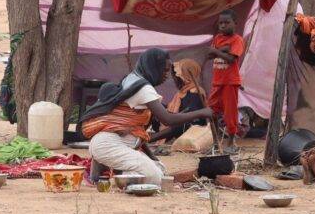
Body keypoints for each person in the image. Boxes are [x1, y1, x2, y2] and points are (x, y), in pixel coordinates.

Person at [80, 48, 215, 186]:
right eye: (164, 71)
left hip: (106, 144)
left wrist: (153, 159)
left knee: (160, 169)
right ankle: (113, 178)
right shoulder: (143, 89)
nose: (166, 76)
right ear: (153, 68)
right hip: (107, 146)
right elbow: (167, 119)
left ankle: (109, 173)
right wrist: (202, 112)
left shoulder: (132, 78)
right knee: (155, 177)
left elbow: (139, 134)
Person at [207, 9, 246, 150]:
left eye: (226, 22)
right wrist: (223, 49)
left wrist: (218, 51)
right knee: (211, 112)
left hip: (230, 81)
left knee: (230, 114)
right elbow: (209, 55)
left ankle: (231, 142)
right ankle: (216, 141)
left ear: (235, 23)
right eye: (220, 23)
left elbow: (231, 58)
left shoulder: (237, 40)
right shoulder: (217, 38)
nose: (222, 26)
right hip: (217, 81)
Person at [149, 59, 207, 144]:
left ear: (186, 77)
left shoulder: (196, 91)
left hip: (192, 126)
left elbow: (191, 114)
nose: (176, 80)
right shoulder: (181, 92)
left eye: (178, 77)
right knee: (154, 108)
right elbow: (173, 110)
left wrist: (172, 116)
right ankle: (147, 134)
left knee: (180, 124)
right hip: (177, 120)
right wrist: (160, 108)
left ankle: (152, 138)